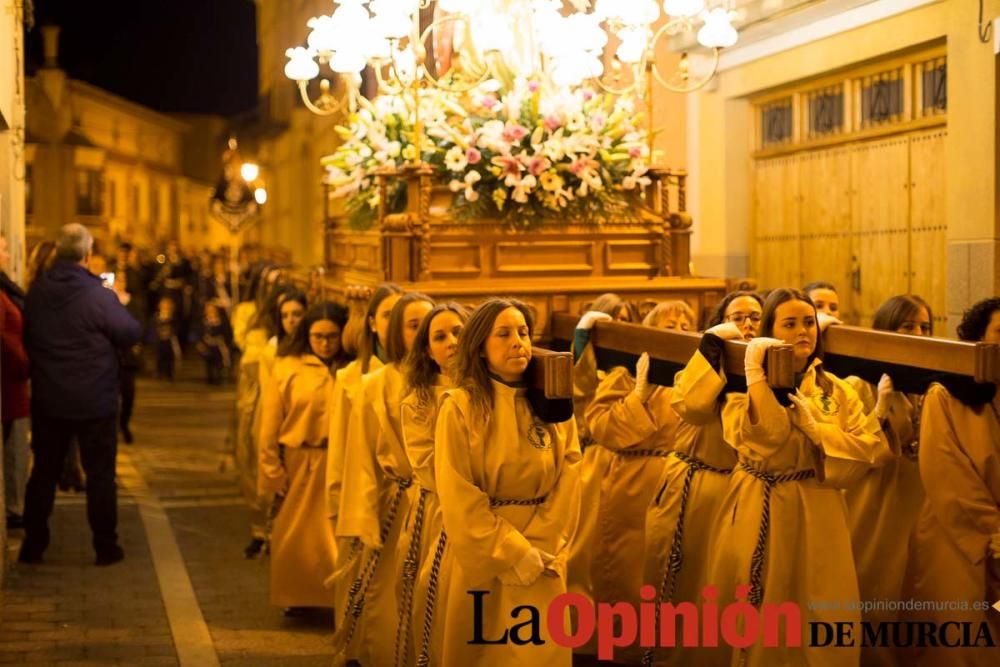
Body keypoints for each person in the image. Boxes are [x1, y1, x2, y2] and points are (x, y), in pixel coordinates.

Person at [708, 287, 890, 666]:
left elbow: (872, 448)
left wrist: (818, 431)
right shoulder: (739, 389)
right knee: (762, 605)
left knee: (821, 604)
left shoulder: (836, 389)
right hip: (761, 499)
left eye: (808, 323)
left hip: (818, 506)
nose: (803, 331)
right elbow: (766, 440)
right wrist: (758, 377)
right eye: (789, 324)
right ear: (770, 331)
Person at [433, 298, 582, 666]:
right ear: (481, 349)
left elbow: (572, 471)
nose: (518, 341)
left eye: (523, 332)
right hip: (486, 554)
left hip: (544, 550)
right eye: (503, 334)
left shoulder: (552, 400)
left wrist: (543, 542)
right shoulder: (461, 406)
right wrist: (514, 552)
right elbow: (458, 492)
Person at [642, 290, 761, 667]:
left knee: (726, 591)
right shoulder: (700, 361)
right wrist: (713, 348)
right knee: (682, 586)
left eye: (756, 317)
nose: (747, 325)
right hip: (694, 486)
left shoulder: (770, 366)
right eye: (738, 316)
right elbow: (692, 407)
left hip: (742, 490)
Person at [19, 223, 140, 566]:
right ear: (87, 256)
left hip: (49, 399)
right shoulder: (98, 295)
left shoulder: (38, 293)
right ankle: (105, 546)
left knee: (43, 470)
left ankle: (34, 544)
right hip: (95, 400)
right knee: (100, 474)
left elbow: (29, 337)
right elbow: (130, 331)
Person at [582, 301, 695, 664]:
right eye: (669, 324)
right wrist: (639, 396)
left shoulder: (698, 377)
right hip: (632, 482)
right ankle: (625, 652)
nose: (677, 330)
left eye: (685, 324)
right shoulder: (626, 373)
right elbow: (601, 426)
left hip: (680, 482)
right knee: (629, 579)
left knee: (675, 580)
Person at [334, 292, 435, 666]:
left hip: (441, 506)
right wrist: (361, 519)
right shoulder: (375, 384)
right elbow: (359, 458)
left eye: (430, 326)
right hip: (396, 503)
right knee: (390, 600)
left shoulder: (455, 382)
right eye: (413, 326)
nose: (423, 335)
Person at [902, 296, 1000, 667]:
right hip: (957, 534)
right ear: (978, 339)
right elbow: (946, 473)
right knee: (957, 636)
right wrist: (993, 532)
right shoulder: (946, 392)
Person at [843, 294, 931, 667]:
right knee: (875, 586)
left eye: (925, 327)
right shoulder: (857, 384)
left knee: (914, 591)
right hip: (874, 499)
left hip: (919, 500)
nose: (918, 334)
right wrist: (882, 406)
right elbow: (860, 451)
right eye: (907, 326)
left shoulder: (932, 383)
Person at [324, 282, 402, 665]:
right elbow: (340, 449)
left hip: (410, 502)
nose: (401, 325)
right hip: (367, 494)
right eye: (389, 315)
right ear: (372, 323)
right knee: (364, 584)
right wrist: (340, 503)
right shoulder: (353, 377)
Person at [258, 301, 349, 614]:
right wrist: (271, 470)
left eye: (331, 336)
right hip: (301, 460)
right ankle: (296, 597)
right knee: (297, 535)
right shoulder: (288, 367)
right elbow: (269, 424)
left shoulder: (353, 369)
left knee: (335, 536)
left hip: (342, 461)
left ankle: (335, 598)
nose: (324, 343)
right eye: (317, 336)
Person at [397, 302, 468, 666]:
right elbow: (427, 466)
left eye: (458, 331)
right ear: (427, 350)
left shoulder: (491, 390)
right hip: (443, 511)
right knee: (439, 598)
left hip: (492, 510)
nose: (452, 342)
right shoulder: (418, 402)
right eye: (440, 337)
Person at [1, 235, 30, 530]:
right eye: (4, 249)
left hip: (13, 386)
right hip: (9, 385)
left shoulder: (5, 289)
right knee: (10, 450)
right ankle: (12, 509)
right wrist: (25, 362)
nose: (8, 255)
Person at [196, 301, 233, 385]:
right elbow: (199, 332)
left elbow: (227, 332)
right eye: (208, 310)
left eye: (212, 310)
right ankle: (210, 378)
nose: (210, 311)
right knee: (208, 363)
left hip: (218, 346)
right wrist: (200, 343)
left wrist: (226, 342)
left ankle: (218, 377)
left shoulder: (222, 321)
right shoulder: (204, 321)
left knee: (218, 363)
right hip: (207, 345)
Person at [154, 296, 180, 380]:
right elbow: (154, 326)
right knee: (160, 356)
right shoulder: (157, 316)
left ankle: (169, 372)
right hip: (160, 339)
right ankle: (159, 371)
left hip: (169, 340)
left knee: (169, 356)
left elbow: (176, 327)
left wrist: (170, 332)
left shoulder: (173, 317)